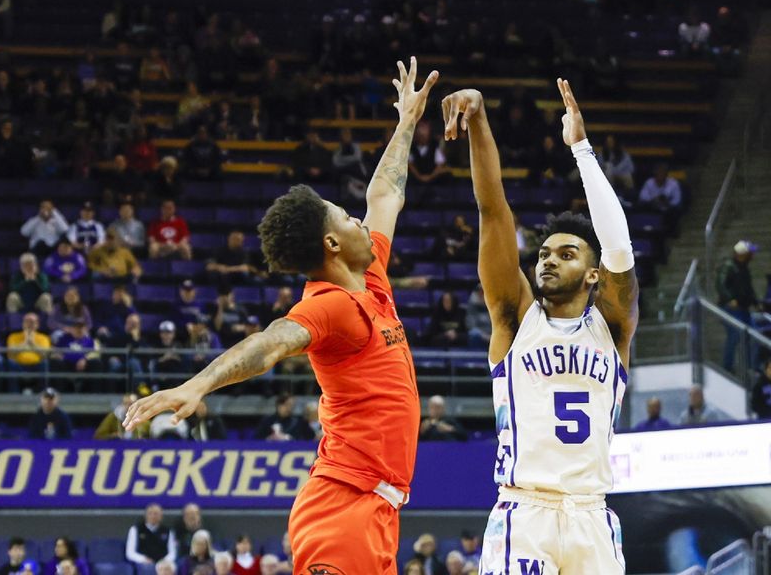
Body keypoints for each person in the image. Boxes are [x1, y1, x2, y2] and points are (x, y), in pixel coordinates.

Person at [123, 57, 439, 574]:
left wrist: (405, 122)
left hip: (377, 506)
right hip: (343, 509)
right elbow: (271, 341)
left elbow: (385, 192)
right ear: (332, 243)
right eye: (345, 215)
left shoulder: (371, 275)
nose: (359, 217)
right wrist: (197, 386)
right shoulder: (330, 304)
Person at [441, 80, 636, 573]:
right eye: (545, 253)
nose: (548, 261)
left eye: (566, 254)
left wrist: (582, 149)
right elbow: (493, 212)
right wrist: (479, 123)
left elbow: (619, 251)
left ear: (593, 275)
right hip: (525, 512)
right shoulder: (515, 318)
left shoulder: (611, 328)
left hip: (592, 515)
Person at [716, 240, 759, 370]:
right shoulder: (728, 266)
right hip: (731, 308)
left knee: (754, 335)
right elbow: (720, 284)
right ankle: (728, 366)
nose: (752, 255)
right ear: (742, 254)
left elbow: (748, 289)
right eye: (750, 252)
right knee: (734, 334)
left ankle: (750, 367)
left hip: (743, 308)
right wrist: (730, 299)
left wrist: (756, 303)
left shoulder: (744, 268)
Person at [126, 503, 177, 568]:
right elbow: (130, 553)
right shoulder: (135, 529)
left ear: (161, 516)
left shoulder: (168, 531)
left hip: (163, 564)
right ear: (145, 515)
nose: (153, 516)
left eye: (156, 514)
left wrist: (164, 561)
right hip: (143, 564)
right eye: (150, 513)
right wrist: (143, 559)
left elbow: (172, 553)